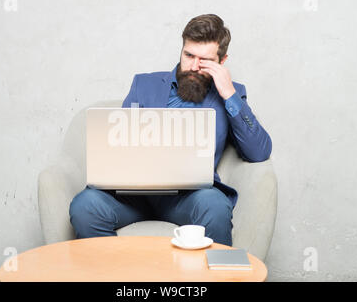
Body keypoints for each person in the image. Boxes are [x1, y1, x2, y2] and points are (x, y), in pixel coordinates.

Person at [69, 14, 272, 246]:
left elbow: (259, 151)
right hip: (133, 198)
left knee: (215, 205)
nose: (193, 67)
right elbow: (120, 148)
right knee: (84, 206)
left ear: (221, 61)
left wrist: (228, 93)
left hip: (190, 199)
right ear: (182, 49)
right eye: (188, 55)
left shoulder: (231, 93)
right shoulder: (144, 84)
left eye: (204, 61)